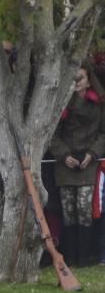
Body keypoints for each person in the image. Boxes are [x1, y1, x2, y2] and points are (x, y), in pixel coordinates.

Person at [48, 62, 103, 267]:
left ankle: (85, 257)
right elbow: (52, 135)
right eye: (73, 78)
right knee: (68, 208)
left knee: (84, 206)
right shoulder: (61, 103)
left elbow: (103, 134)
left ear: (89, 80)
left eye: (80, 77)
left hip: (89, 160)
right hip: (66, 161)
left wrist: (92, 153)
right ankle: (70, 256)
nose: (77, 82)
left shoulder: (99, 104)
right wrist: (64, 155)